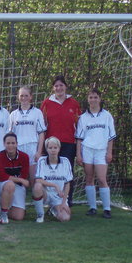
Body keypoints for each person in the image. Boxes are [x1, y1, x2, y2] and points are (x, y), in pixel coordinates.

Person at [75, 89, 116, 218]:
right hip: (87, 150)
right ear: (88, 100)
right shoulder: (83, 117)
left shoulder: (107, 115)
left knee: (102, 179)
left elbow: (111, 137)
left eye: (95, 97)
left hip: (101, 151)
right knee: (89, 179)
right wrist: (79, 154)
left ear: (100, 99)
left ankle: (107, 208)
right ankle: (92, 207)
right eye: (91, 97)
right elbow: (79, 138)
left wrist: (109, 152)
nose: (93, 100)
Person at [40, 76, 81, 206]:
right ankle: (49, 200)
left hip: (68, 143)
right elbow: (42, 125)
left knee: (67, 173)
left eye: (61, 85)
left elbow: (78, 125)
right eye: (56, 86)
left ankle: (67, 200)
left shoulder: (74, 103)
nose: (59, 88)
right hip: (51, 144)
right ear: (53, 88)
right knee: (50, 172)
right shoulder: (46, 103)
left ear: (65, 87)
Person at [9, 85, 46, 184]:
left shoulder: (37, 112)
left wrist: (39, 151)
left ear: (31, 97)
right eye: (21, 96)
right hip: (18, 148)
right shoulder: (13, 114)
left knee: (34, 179)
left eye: (26, 95)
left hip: (32, 147)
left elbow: (41, 133)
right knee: (19, 178)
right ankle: (18, 198)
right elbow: (10, 135)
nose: (24, 98)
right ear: (18, 97)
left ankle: (35, 198)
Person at [33, 136, 73, 222]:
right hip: (46, 193)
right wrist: (55, 186)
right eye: (50, 148)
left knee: (65, 218)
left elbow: (67, 184)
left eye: (55, 147)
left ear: (59, 148)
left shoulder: (65, 161)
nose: (53, 150)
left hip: (59, 196)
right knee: (37, 186)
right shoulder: (42, 161)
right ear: (46, 149)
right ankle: (40, 215)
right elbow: (38, 180)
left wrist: (63, 203)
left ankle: (53, 209)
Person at [0, 132, 30, 224]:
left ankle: (3, 206)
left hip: (17, 185)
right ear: (4, 144)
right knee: (9, 185)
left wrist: (19, 180)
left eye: (13, 143)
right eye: (8, 143)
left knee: (19, 217)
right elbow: (1, 176)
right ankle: (4, 214)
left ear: (17, 143)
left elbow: (24, 175)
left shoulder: (24, 157)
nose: (10, 145)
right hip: (0, 184)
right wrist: (20, 179)